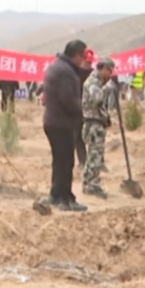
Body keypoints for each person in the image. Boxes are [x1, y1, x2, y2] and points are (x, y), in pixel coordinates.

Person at [43, 40, 89, 212]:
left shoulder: (56, 66)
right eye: (82, 56)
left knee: (59, 161)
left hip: (52, 121)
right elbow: (68, 99)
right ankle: (65, 199)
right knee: (65, 162)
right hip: (62, 123)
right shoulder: (66, 72)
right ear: (77, 55)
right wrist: (82, 112)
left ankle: (55, 195)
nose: (83, 60)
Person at [81, 58, 116, 199]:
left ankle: (88, 183)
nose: (110, 75)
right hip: (93, 124)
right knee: (95, 156)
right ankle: (92, 185)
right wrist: (107, 90)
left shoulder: (97, 82)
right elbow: (97, 100)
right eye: (109, 71)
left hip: (95, 123)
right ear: (104, 68)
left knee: (92, 156)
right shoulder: (93, 82)